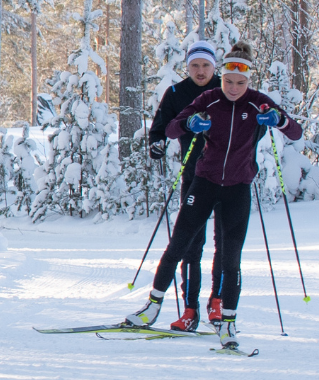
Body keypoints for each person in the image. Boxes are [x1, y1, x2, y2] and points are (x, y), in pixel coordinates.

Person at [125, 41, 303, 350]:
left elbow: (296, 132)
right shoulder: (209, 98)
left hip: (238, 189)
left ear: (248, 80)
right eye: (229, 81)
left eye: (240, 82)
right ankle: (152, 307)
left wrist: (279, 120)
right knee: (179, 245)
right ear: (221, 77)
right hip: (204, 183)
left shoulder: (259, 103)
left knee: (231, 258)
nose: (234, 88)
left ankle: (227, 323)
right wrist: (190, 123)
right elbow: (170, 129)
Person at [146, 40, 224, 333]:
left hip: (227, 178)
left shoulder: (226, 89)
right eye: (195, 66)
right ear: (187, 66)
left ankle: (217, 303)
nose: (201, 71)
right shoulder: (177, 92)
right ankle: (190, 309)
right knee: (191, 244)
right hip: (193, 175)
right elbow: (160, 125)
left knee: (224, 244)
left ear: (214, 66)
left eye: (205, 65)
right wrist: (156, 144)